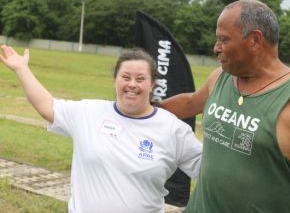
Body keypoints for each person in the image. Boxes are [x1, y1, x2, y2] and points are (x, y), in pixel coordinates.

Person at [159, 0, 290, 212]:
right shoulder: (221, 77)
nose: (216, 48)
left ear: (255, 40)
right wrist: (142, 108)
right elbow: (191, 102)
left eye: (224, 40)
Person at [0, 46, 202, 213]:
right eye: (125, 77)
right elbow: (47, 106)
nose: (132, 84)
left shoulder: (173, 129)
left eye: (140, 79)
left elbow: (211, 174)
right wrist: (21, 69)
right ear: (115, 80)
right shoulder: (89, 112)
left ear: (152, 84)